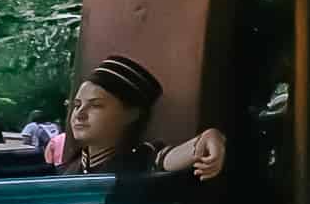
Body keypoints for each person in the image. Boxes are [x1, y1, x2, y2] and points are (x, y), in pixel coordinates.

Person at [59, 56, 226, 179]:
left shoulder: (143, 159)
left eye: (96, 105)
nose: (80, 114)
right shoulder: (66, 170)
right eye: (77, 105)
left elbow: (174, 157)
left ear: (132, 114)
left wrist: (210, 137)